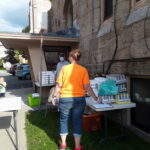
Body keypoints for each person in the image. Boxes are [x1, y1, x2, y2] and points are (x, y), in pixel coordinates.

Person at [52, 49, 98, 150]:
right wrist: (95, 98)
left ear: (70, 57)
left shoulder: (64, 68)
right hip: (79, 99)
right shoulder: (83, 70)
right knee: (77, 121)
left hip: (65, 98)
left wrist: (54, 96)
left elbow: (59, 85)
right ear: (78, 58)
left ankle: (63, 145)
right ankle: (77, 147)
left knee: (64, 121)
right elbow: (87, 87)